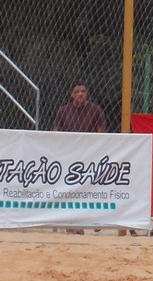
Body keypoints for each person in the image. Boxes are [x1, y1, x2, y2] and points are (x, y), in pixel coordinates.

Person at [53, 81, 106, 235]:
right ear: (71, 94)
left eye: (83, 91)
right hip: (68, 155)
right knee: (69, 190)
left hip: (89, 155)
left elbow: (100, 133)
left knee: (91, 189)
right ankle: (72, 225)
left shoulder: (95, 110)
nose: (80, 94)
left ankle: (93, 220)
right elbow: (56, 132)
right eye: (77, 91)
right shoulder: (63, 111)